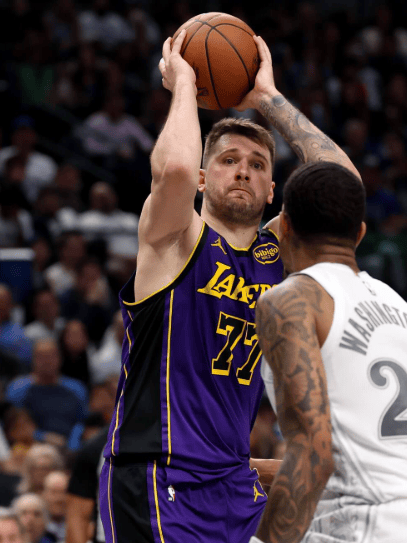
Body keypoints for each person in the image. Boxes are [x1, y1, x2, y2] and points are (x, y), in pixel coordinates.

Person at [99, 29, 360, 543]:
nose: (243, 172)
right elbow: (174, 168)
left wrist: (268, 99)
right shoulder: (175, 238)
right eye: (228, 160)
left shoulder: (276, 255)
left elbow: (344, 188)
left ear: (272, 191)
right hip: (157, 474)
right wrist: (184, 84)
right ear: (203, 179)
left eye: (257, 165)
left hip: (234, 479)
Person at [251, 162, 407, 543]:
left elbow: (313, 452)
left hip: (373, 523)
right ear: (360, 234)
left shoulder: (293, 299)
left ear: (285, 228)